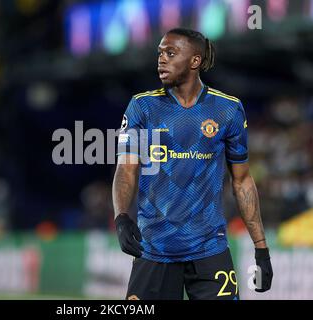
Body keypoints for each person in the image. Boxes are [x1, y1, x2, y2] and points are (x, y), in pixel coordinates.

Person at [112, 28, 273, 300]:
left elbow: (242, 180)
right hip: (154, 248)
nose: (161, 59)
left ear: (195, 61)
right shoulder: (142, 107)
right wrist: (121, 217)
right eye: (160, 53)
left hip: (210, 249)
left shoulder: (228, 109)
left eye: (171, 53)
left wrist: (261, 248)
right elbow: (126, 168)